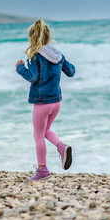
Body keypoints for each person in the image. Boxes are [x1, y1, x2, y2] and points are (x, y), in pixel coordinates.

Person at [15, 19, 75, 181]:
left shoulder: (35, 55)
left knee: (38, 135)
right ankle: (62, 147)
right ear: (49, 37)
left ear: (33, 38)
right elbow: (71, 71)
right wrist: (61, 61)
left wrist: (20, 68)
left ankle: (42, 170)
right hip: (57, 101)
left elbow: (32, 77)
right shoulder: (57, 54)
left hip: (42, 102)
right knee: (46, 130)